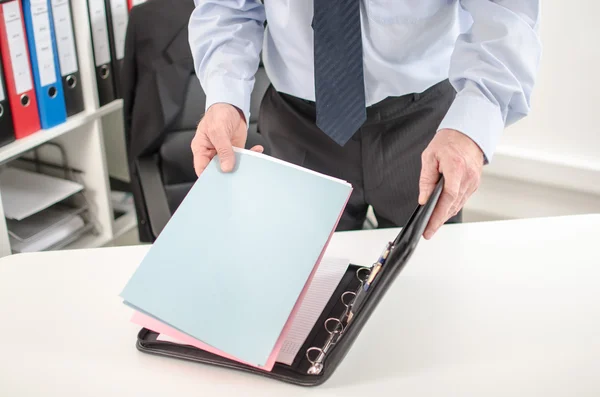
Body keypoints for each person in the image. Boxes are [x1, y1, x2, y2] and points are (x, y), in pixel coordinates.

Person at [187, 0, 541, 238]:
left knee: (422, 298)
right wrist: (225, 97)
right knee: (299, 303)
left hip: (427, 127)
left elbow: (505, 13)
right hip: (298, 125)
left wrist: (473, 126)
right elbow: (227, 7)